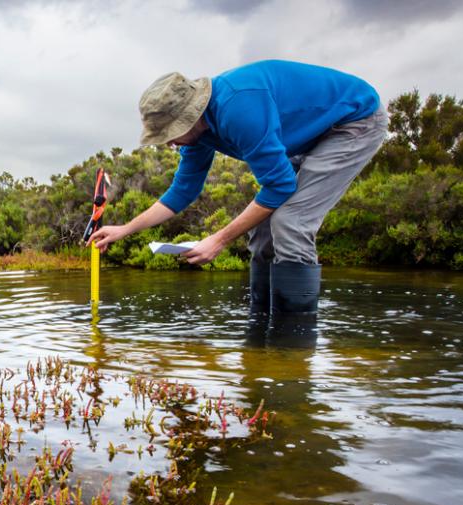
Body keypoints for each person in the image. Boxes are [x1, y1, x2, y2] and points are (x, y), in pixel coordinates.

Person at [88, 60, 387, 316]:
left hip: (353, 122)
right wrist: (125, 229)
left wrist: (218, 240)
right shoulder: (198, 134)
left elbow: (279, 186)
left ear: (192, 116)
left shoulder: (239, 109)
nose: (170, 142)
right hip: (310, 134)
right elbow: (183, 190)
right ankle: (260, 329)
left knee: (290, 221)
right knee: (262, 228)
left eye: (173, 132)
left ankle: (292, 343)